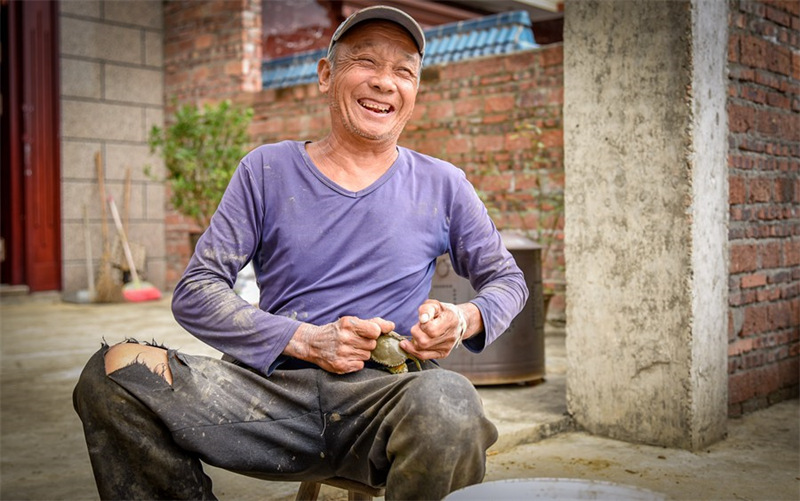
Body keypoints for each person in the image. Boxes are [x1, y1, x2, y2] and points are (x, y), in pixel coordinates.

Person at [73, 6, 528, 500]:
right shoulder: (266, 169)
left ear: (414, 93)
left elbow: (508, 280)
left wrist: (463, 319)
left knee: (452, 402)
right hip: (267, 394)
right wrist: (307, 340)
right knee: (113, 374)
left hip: (384, 401)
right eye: (366, 63)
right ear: (326, 74)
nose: (384, 82)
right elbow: (196, 291)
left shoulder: (444, 184)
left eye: (403, 71)